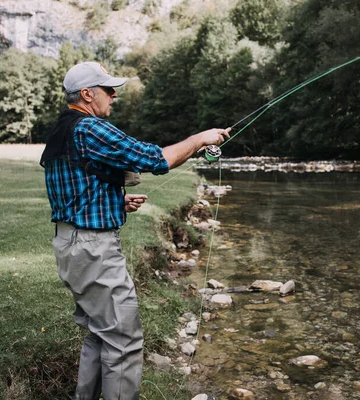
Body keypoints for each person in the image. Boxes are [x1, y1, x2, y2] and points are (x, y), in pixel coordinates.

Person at [40, 61, 230, 400]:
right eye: (108, 90)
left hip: (70, 245)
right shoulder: (89, 129)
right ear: (87, 94)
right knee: (124, 341)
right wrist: (200, 138)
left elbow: (71, 191)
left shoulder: (61, 130)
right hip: (93, 250)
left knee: (100, 335)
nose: (114, 95)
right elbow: (154, 159)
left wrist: (117, 202)